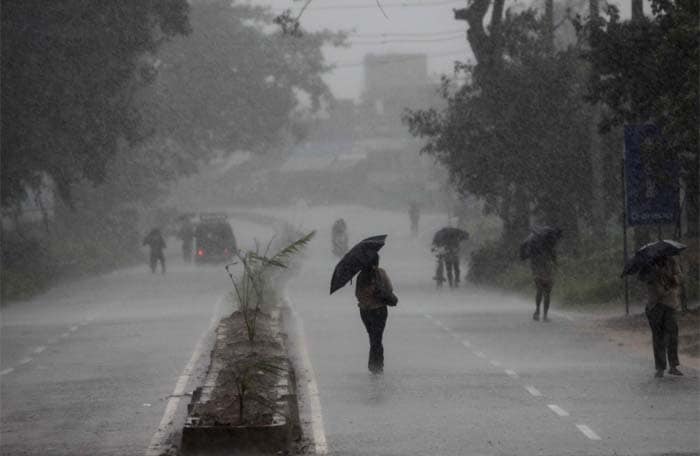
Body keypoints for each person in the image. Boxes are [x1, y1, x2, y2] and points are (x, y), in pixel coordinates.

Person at [640, 256, 683, 378]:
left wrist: (671, 277)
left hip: (670, 303)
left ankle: (673, 365)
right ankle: (660, 367)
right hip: (655, 305)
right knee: (658, 337)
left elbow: (679, 278)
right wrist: (655, 274)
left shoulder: (672, 261)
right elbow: (644, 279)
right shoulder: (649, 264)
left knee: (672, 335)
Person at [355, 253, 394, 374]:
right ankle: (377, 365)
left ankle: (375, 365)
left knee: (372, 336)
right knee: (377, 337)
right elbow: (390, 289)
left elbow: (358, 294)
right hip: (380, 310)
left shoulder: (361, 276)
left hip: (365, 311)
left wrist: (367, 300)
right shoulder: (381, 273)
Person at [530, 247, 556, 321]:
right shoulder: (551, 247)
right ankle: (544, 315)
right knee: (546, 294)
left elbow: (533, 263)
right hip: (546, 273)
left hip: (539, 273)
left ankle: (538, 311)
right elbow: (554, 262)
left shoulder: (535, 247)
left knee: (540, 291)